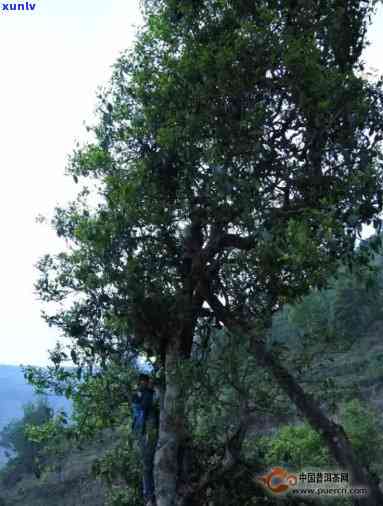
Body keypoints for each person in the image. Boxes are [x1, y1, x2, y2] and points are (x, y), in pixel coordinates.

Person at [132, 373, 159, 506]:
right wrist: (149, 390)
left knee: (148, 464)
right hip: (144, 433)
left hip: (143, 432)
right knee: (148, 465)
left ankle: (150, 495)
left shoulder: (142, 394)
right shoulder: (142, 394)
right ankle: (149, 496)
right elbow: (144, 406)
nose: (143, 384)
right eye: (143, 382)